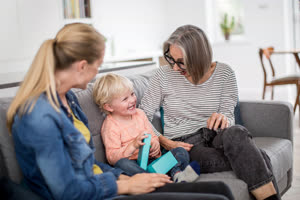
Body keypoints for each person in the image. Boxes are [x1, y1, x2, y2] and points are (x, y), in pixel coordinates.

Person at [6, 23, 234, 200]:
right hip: (93, 193)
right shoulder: (38, 116)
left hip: (102, 182)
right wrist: (124, 184)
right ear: (82, 65)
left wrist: (125, 177)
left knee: (221, 188)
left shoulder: (70, 100)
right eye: (99, 64)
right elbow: (67, 191)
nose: (98, 72)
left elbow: (89, 166)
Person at [140, 24, 280, 200]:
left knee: (236, 133)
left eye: (181, 62)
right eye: (171, 59)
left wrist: (224, 118)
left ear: (199, 57)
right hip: (186, 145)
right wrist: (165, 142)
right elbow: (141, 115)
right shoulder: (162, 77)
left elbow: (228, 114)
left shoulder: (224, 73)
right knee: (259, 156)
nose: (175, 68)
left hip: (216, 135)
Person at [92, 73, 200, 183]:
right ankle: (151, 179)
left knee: (180, 151)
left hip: (154, 163)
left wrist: (155, 144)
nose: (132, 100)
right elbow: (112, 158)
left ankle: (177, 175)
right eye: (125, 99)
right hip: (134, 166)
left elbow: (152, 136)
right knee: (121, 164)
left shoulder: (140, 114)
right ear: (109, 106)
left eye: (132, 94)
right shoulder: (110, 126)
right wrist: (132, 145)